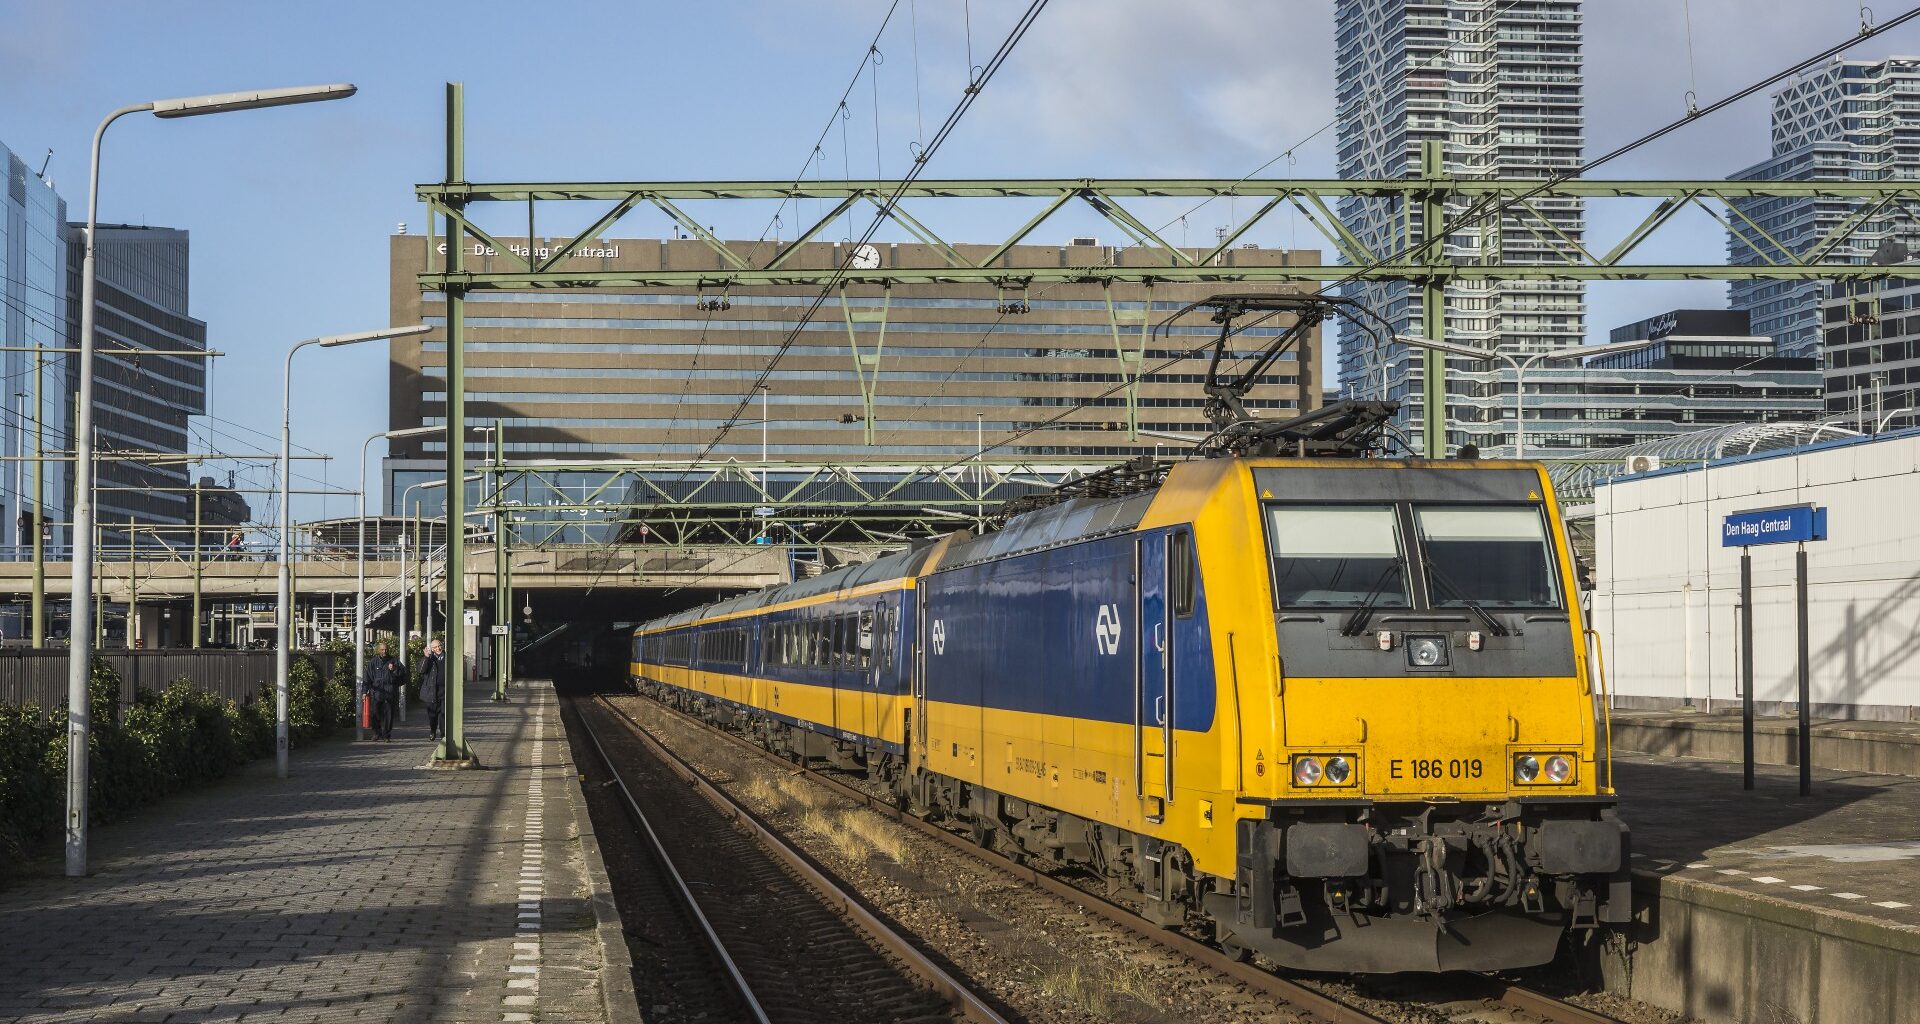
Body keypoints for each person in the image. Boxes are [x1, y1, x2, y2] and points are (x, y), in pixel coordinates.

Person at [366, 641, 404, 741]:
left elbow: (403, 674)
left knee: (389, 714)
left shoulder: (394, 661)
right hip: (377, 692)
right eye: (382, 649)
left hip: (390, 692)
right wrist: (365, 691)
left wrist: (394, 669)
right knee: (375, 713)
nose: (384, 651)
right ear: (378, 650)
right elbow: (368, 677)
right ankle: (376, 733)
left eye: (386, 649)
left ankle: (386, 734)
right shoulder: (373, 662)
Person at [419, 638, 446, 743]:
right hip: (431, 691)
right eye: (435, 647)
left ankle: (444, 734)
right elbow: (421, 670)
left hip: (445, 690)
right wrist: (426, 658)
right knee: (432, 714)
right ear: (432, 649)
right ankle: (433, 730)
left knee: (444, 714)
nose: (438, 648)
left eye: (439, 645)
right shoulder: (429, 659)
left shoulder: (448, 657)